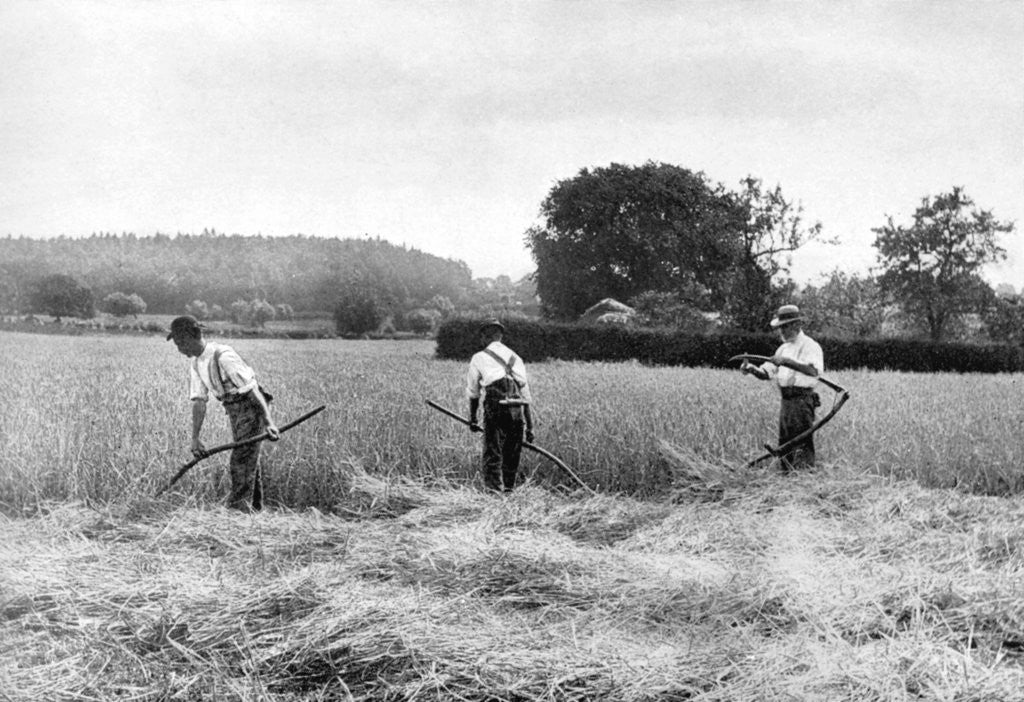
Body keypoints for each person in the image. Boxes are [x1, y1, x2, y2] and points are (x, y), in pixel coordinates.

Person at [166, 315, 279, 511]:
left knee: (241, 460)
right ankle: (255, 509)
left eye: (179, 343)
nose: (179, 349)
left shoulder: (223, 356)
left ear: (189, 338)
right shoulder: (196, 363)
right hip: (234, 411)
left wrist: (268, 421)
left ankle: (237, 513)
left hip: (252, 407)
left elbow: (253, 390)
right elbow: (199, 401)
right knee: (248, 459)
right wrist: (195, 438)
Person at [740, 304, 824, 471]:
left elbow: (813, 371)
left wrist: (787, 362)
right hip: (786, 402)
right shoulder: (783, 349)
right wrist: (752, 370)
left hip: (802, 401)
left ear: (796, 325)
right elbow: (767, 372)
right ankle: (786, 481)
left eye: (784, 327)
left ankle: (803, 480)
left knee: (801, 443)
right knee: (785, 443)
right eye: (780, 328)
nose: (781, 331)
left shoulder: (810, 346)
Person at [466, 319, 535, 492]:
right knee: (512, 453)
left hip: (495, 406)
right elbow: (525, 396)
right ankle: (509, 491)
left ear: (484, 337)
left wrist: (473, 419)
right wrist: (530, 428)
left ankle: (494, 493)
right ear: (500, 337)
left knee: (493, 451)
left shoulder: (479, 357)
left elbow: (473, 392)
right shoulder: (516, 358)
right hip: (517, 408)